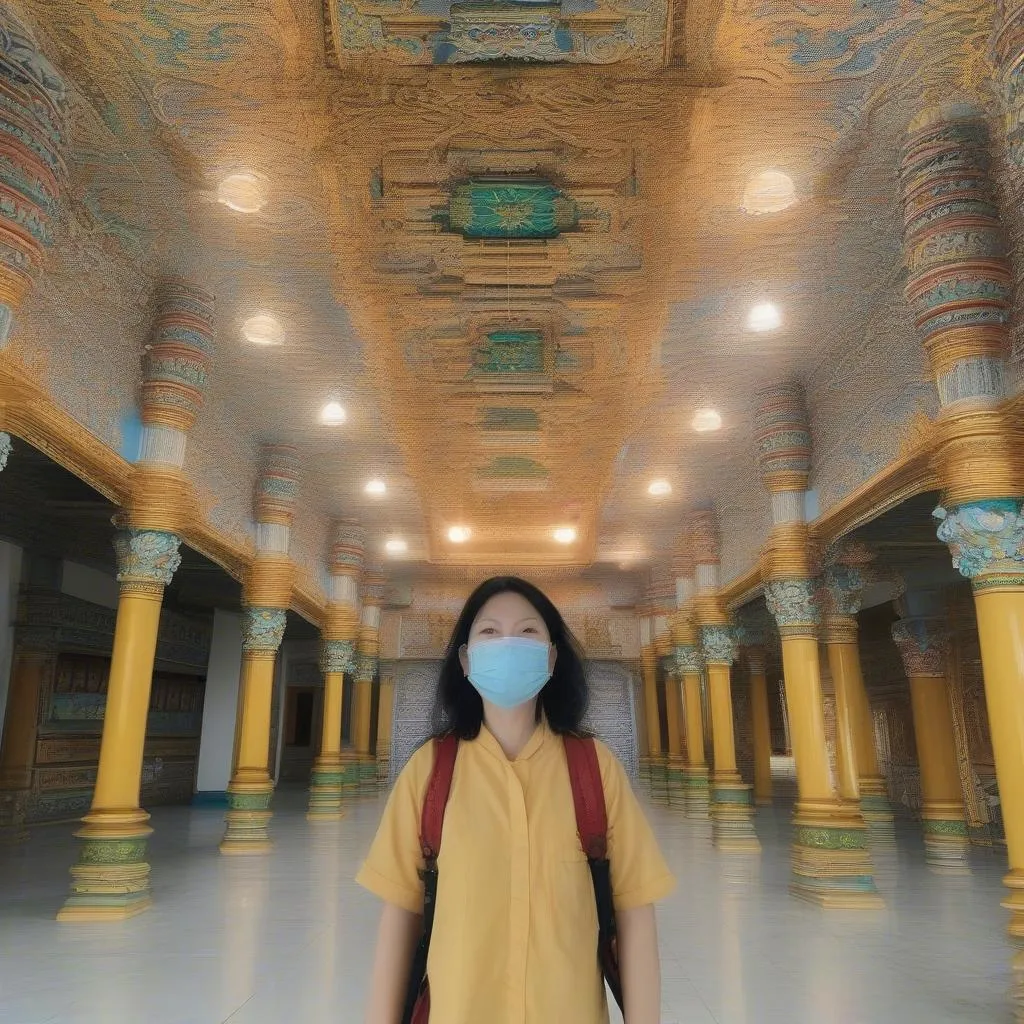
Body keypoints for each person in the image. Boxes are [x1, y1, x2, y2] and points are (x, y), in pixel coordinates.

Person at [357, 575, 676, 1024]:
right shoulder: (429, 771)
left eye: (528, 631)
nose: (508, 643)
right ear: (466, 661)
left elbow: (635, 915)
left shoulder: (593, 768)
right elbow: (400, 922)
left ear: (550, 657)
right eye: (489, 631)